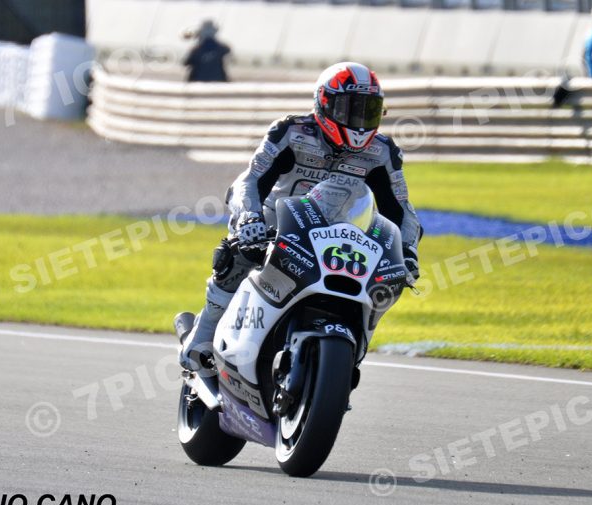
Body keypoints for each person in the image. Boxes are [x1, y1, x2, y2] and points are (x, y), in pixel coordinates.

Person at [179, 62, 422, 369]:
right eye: (349, 109)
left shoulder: (383, 151)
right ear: (324, 103)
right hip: (277, 227)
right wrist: (248, 220)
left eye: (367, 111)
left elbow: (402, 211)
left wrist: (408, 251)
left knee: (387, 281)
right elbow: (250, 180)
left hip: (339, 237)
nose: (358, 122)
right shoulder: (291, 132)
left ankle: (353, 350)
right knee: (235, 256)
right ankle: (203, 335)